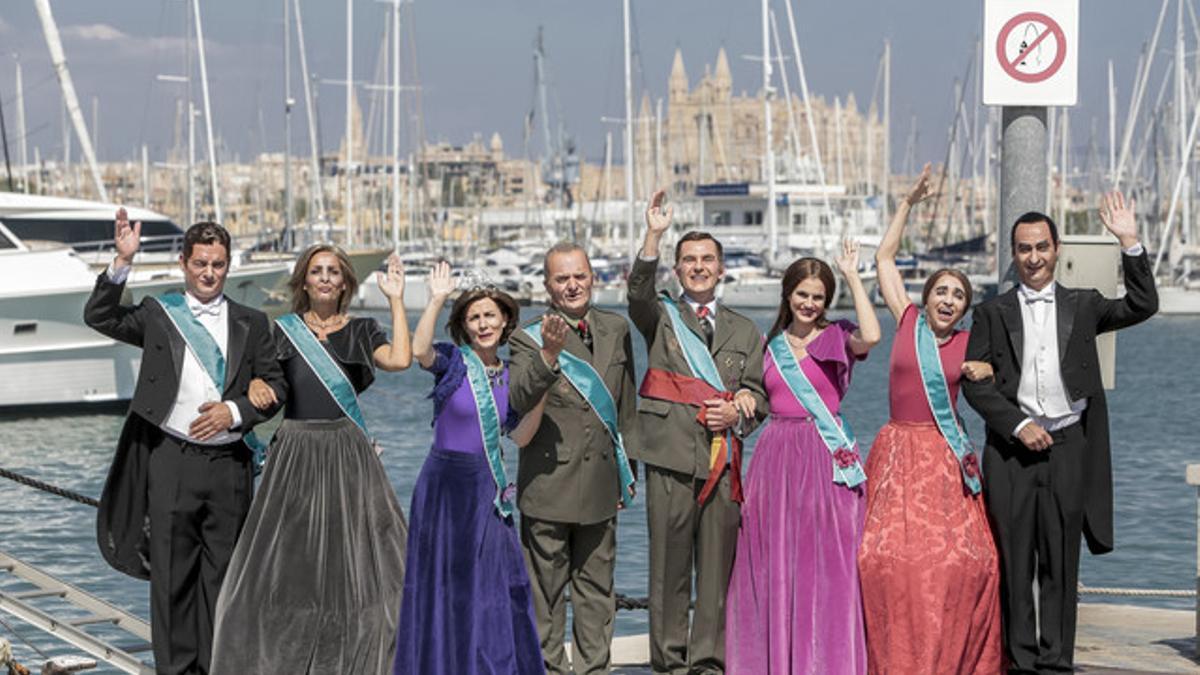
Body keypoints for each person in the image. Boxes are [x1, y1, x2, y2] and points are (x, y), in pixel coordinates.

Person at [962, 192, 1158, 673]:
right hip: (1011, 454)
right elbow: (975, 385)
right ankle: (1020, 663)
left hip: (1070, 446)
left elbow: (1143, 303)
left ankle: (1056, 666)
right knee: (1014, 562)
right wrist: (1019, 424)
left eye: (1041, 247)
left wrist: (1129, 241)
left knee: (1061, 563)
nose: (1033, 257)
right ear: (1014, 254)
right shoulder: (992, 313)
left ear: (1056, 247)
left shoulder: (1084, 305)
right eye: (1024, 249)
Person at [83, 209, 284, 675]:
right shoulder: (159, 314)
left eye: (217, 265)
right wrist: (122, 261)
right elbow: (100, 316)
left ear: (228, 265)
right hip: (170, 461)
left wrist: (236, 411)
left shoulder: (252, 322)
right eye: (200, 264)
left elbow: (276, 388)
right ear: (183, 263)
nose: (209, 274)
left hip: (230, 466)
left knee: (224, 578)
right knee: (171, 579)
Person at [210, 245, 412, 673]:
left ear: (344, 283)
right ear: (304, 281)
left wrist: (396, 298)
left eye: (333, 272)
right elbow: (255, 381)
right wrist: (256, 388)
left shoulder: (362, 330)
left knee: (365, 563)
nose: (324, 277)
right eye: (316, 271)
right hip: (295, 454)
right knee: (286, 566)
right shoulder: (281, 331)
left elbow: (399, 360)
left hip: (347, 453)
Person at [856, 164, 1002, 674]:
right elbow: (884, 257)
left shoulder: (970, 345)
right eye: (941, 291)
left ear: (965, 308)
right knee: (880, 560)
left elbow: (1006, 375)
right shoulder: (907, 322)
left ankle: (945, 654)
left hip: (943, 460)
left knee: (962, 564)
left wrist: (985, 368)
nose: (947, 300)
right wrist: (906, 205)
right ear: (927, 296)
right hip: (896, 455)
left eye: (958, 296)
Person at [724, 243, 882, 675]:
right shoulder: (767, 345)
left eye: (818, 297)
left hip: (824, 456)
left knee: (828, 564)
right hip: (775, 460)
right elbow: (754, 396)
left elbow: (873, 336)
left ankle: (825, 660)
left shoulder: (837, 337)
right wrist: (741, 395)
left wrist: (852, 276)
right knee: (775, 563)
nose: (810, 304)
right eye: (803, 294)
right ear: (788, 294)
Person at [629, 190, 768, 675]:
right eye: (689, 260)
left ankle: (708, 664)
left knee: (715, 574)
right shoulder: (661, 317)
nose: (698, 267)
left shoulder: (745, 330)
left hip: (722, 462)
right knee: (667, 571)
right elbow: (636, 295)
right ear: (677, 269)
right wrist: (654, 234)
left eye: (707, 259)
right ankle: (668, 664)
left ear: (722, 268)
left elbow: (758, 394)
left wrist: (740, 413)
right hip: (668, 457)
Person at [393, 262, 550, 675]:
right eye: (474, 317)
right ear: (464, 325)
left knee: (493, 585)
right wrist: (436, 299)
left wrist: (541, 396)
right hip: (443, 489)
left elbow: (521, 438)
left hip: (486, 488)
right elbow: (418, 351)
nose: (483, 324)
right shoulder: (453, 362)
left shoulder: (515, 375)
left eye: (489, 316)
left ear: (504, 321)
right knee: (443, 584)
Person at [507, 243, 640, 675]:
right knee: (545, 592)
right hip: (548, 482)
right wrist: (548, 354)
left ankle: (592, 668)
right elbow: (519, 398)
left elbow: (626, 410)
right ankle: (548, 667)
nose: (572, 286)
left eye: (579, 276)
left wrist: (627, 472)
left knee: (598, 590)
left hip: (602, 480)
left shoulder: (616, 327)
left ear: (592, 277)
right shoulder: (526, 337)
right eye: (561, 279)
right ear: (547, 286)